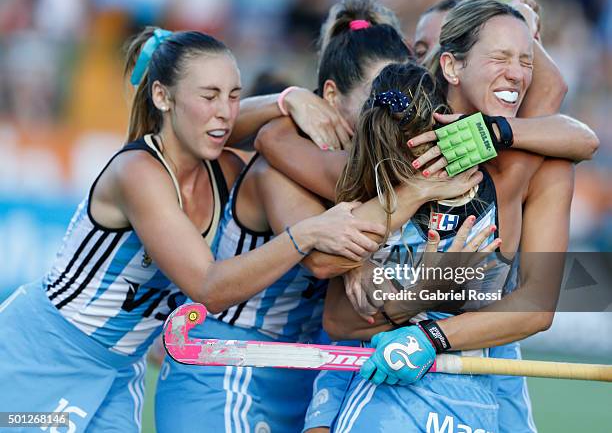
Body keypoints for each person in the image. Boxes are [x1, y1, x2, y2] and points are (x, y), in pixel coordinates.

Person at [0, 27, 384, 433]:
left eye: (234, 96)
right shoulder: (138, 173)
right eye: (209, 96)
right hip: (43, 352)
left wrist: (287, 100)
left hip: (118, 370)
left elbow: (247, 137)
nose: (224, 111)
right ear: (162, 97)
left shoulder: (225, 170)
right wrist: (307, 233)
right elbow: (207, 287)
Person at [155, 0, 478, 433]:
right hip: (229, 365)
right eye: (376, 98)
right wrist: (419, 191)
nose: (390, 115)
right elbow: (325, 259)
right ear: (330, 96)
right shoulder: (285, 162)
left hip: (302, 371)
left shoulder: (373, 173)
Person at [314, 0, 579, 432]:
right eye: (499, 56)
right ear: (452, 68)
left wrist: (429, 333)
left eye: (525, 59)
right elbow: (338, 317)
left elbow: (537, 307)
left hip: (479, 408)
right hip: (388, 409)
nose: (516, 73)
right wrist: (422, 287)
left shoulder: (535, 165)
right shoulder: (395, 154)